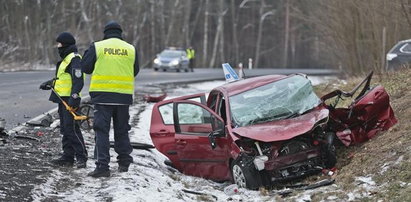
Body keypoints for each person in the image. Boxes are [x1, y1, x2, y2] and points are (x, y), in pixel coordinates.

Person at [81, 21, 139, 178]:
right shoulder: (130, 49)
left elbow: (85, 67)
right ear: (121, 33)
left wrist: (88, 52)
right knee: (122, 130)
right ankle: (124, 163)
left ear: (105, 33)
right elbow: (135, 70)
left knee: (102, 131)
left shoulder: (98, 46)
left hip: (103, 96)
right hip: (123, 97)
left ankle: (102, 167)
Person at [39, 32, 88, 168]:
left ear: (65, 44)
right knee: (66, 129)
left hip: (69, 100)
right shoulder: (66, 59)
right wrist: (50, 83)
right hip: (62, 99)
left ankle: (81, 157)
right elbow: (63, 78)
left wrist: (74, 97)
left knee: (71, 129)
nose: (58, 46)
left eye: (59, 44)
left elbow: (78, 81)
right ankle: (68, 157)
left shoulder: (74, 59)